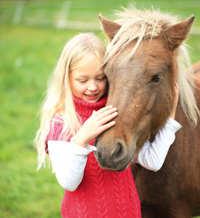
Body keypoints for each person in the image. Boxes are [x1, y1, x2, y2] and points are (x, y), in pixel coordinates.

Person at [34, 33, 181, 218]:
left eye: (100, 78)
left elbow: (151, 161)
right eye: (83, 80)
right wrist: (81, 138)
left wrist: (170, 120)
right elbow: (68, 182)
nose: (93, 87)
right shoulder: (61, 121)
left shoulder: (114, 113)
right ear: (66, 78)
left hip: (128, 212)